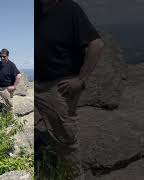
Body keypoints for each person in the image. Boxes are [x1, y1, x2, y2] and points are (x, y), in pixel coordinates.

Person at [35, 0, 104, 179]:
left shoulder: (70, 9)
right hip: (36, 83)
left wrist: (80, 79)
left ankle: (73, 176)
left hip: (58, 86)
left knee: (66, 138)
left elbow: (96, 44)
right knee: (51, 133)